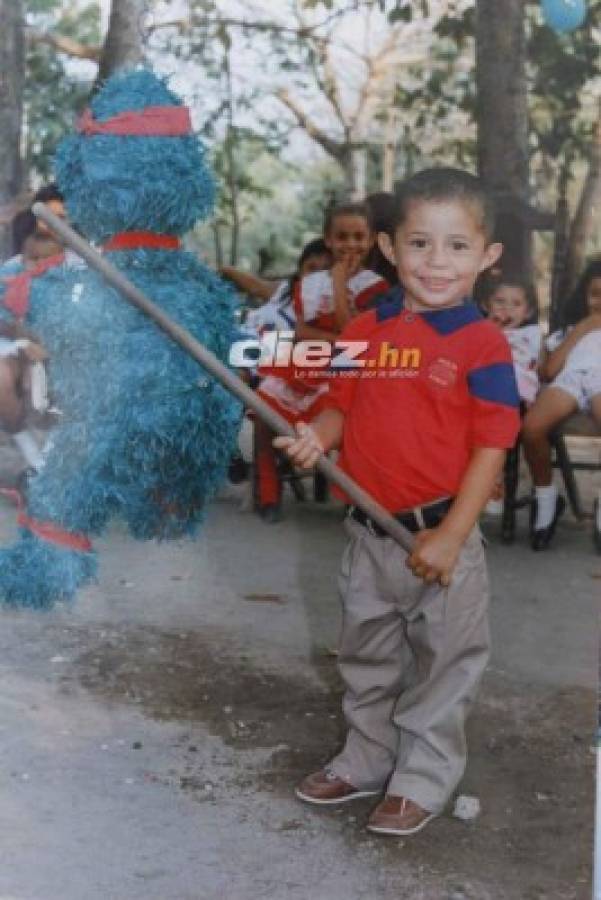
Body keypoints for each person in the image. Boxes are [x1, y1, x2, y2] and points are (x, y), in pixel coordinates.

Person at [274, 168, 520, 836]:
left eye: (456, 246)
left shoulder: (483, 346)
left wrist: (449, 535)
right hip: (368, 534)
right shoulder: (365, 335)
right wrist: (314, 440)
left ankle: (422, 776)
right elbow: (337, 409)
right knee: (365, 656)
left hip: (442, 535)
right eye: (418, 244)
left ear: (486, 256)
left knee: (443, 665)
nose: (436, 262)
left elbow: (492, 446)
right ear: (388, 247)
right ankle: (366, 757)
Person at [255, 203, 389, 520]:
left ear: (371, 241)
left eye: (359, 237)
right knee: (264, 407)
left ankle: (358, 499)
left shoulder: (376, 285)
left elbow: (350, 331)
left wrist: (340, 284)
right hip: (312, 361)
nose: (351, 245)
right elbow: (302, 330)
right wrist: (336, 339)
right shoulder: (309, 284)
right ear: (328, 240)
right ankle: (268, 491)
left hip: (353, 368)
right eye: (342, 237)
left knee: (356, 417)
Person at [522, 259, 601, 550]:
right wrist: (582, 328)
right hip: (570, 379)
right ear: (584, 295)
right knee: (531, 428)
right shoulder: (571, 329)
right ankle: (546, 497)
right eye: (595, 294)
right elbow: (549, 371)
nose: (600, 302)